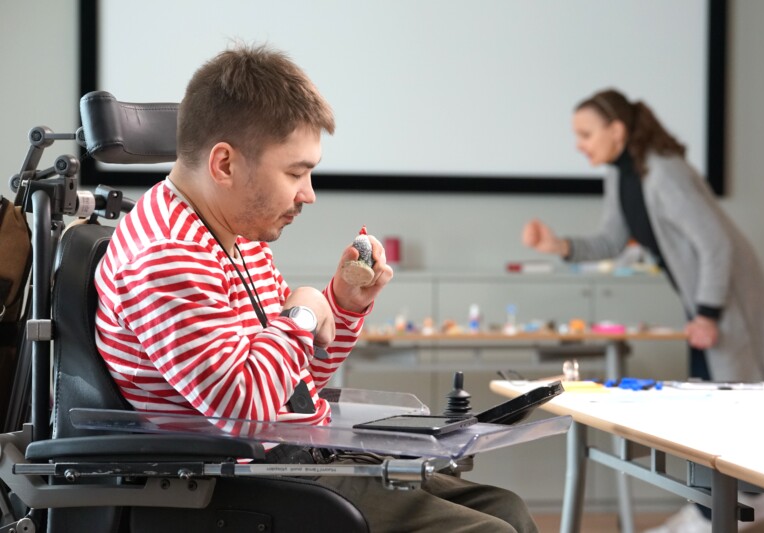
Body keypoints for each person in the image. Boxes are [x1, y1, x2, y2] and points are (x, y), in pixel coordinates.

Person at [94, 44, 537, 533]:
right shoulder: (167, 255)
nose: (308, 193)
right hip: (240, 484)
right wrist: (302, 314)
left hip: (299, 460)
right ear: (224, 164)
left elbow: (292, 384)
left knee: (505, 509)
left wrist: (340, 306)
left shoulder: (237, 238)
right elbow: (245, 410)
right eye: (295, 172)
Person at [521, 88, 764, 532]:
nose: (579, 144)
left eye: (586, 134)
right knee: (708, 395)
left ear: (617, 130)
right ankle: (713, 511)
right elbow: (611, 240)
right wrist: (559, 245)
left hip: (727, 294)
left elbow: (715, 244)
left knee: (731, 402)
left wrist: (708, 313)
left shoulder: (663, 171)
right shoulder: (621, 175)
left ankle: (741, 507)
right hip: (704, 298)